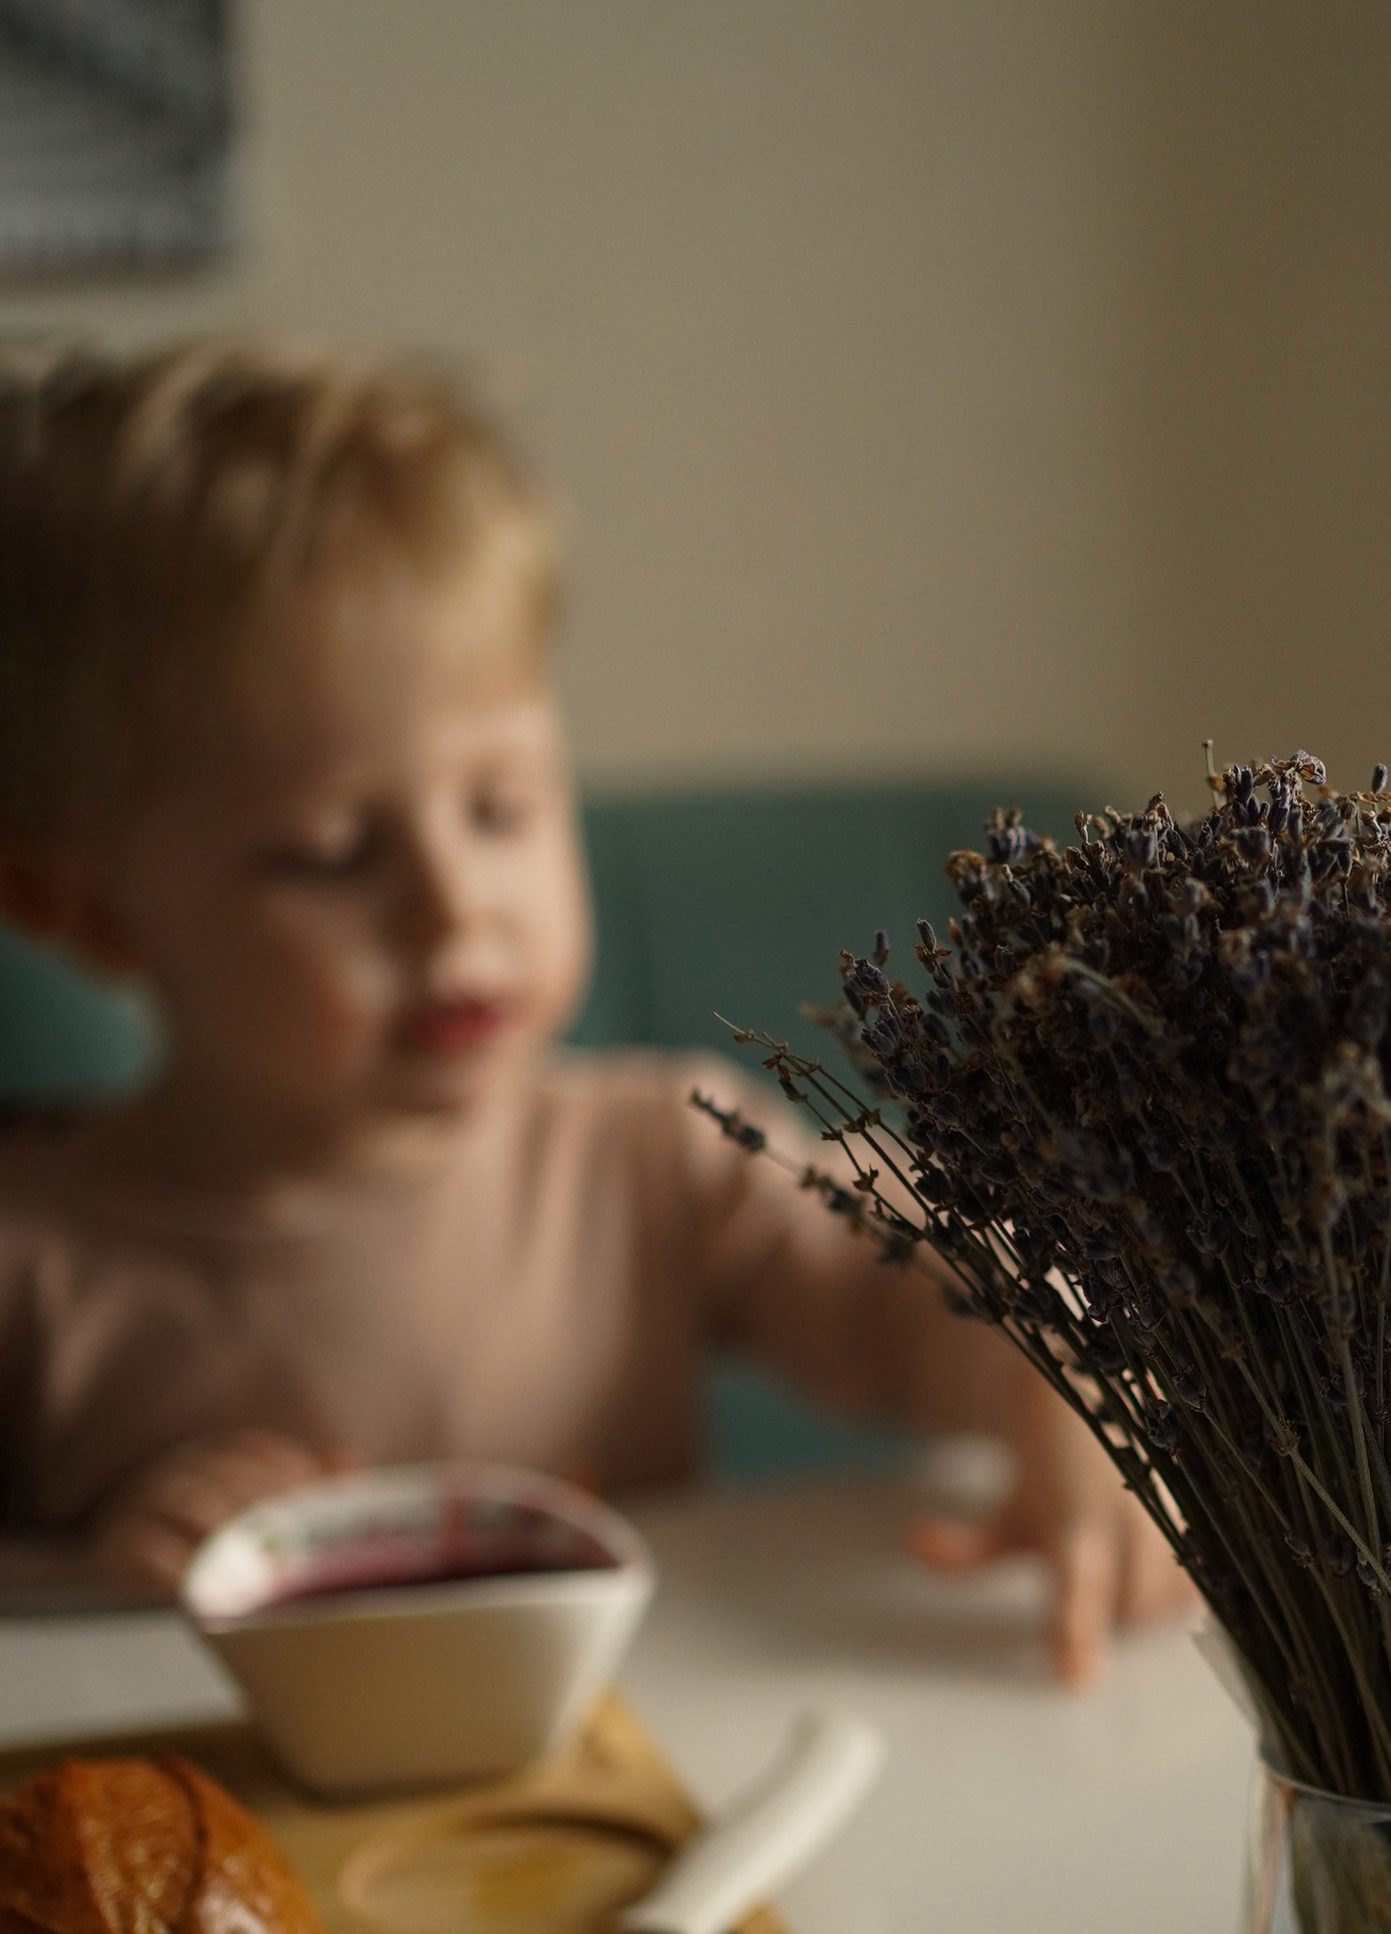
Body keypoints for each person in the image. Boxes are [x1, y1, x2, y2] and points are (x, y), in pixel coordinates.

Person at [0, 342, 1185, 1677]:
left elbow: (913, 1283)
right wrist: (94, 1578)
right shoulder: (36, 1262)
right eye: (335, 851)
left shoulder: (646, 1159)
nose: (455, 911)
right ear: (89, 909)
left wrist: (1061, 1377)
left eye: (500, 807)